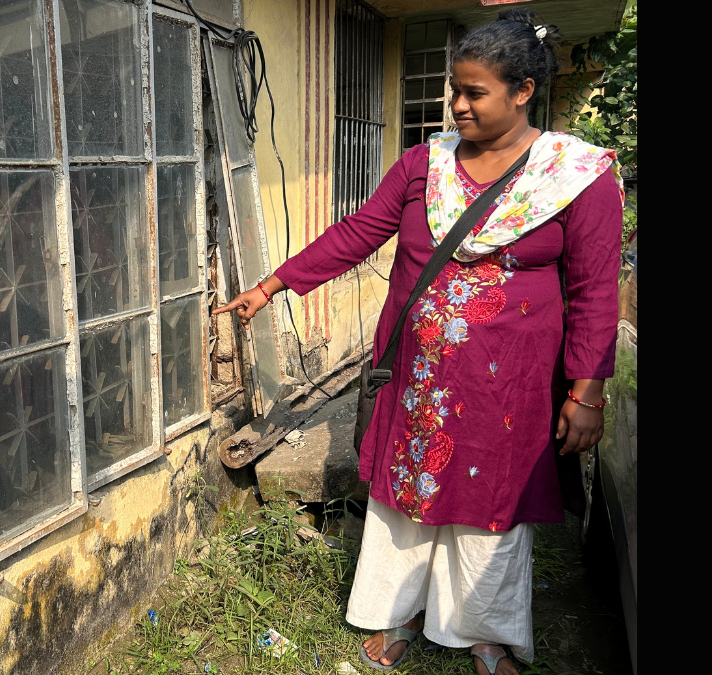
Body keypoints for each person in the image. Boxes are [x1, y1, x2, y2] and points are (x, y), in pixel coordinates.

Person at [213, 10, 623, 675]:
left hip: (510, 385)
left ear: (523, 91)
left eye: (475, 93)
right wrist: (274, 284)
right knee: (408, 488)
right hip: (419, 376)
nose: (457, 105)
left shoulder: (576, 176)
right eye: (454, 90)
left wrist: (587, 391)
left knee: (492, 499)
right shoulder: (423, 164)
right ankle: (400, 610)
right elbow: (358, 232)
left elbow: (596, 289)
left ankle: (484, 631)